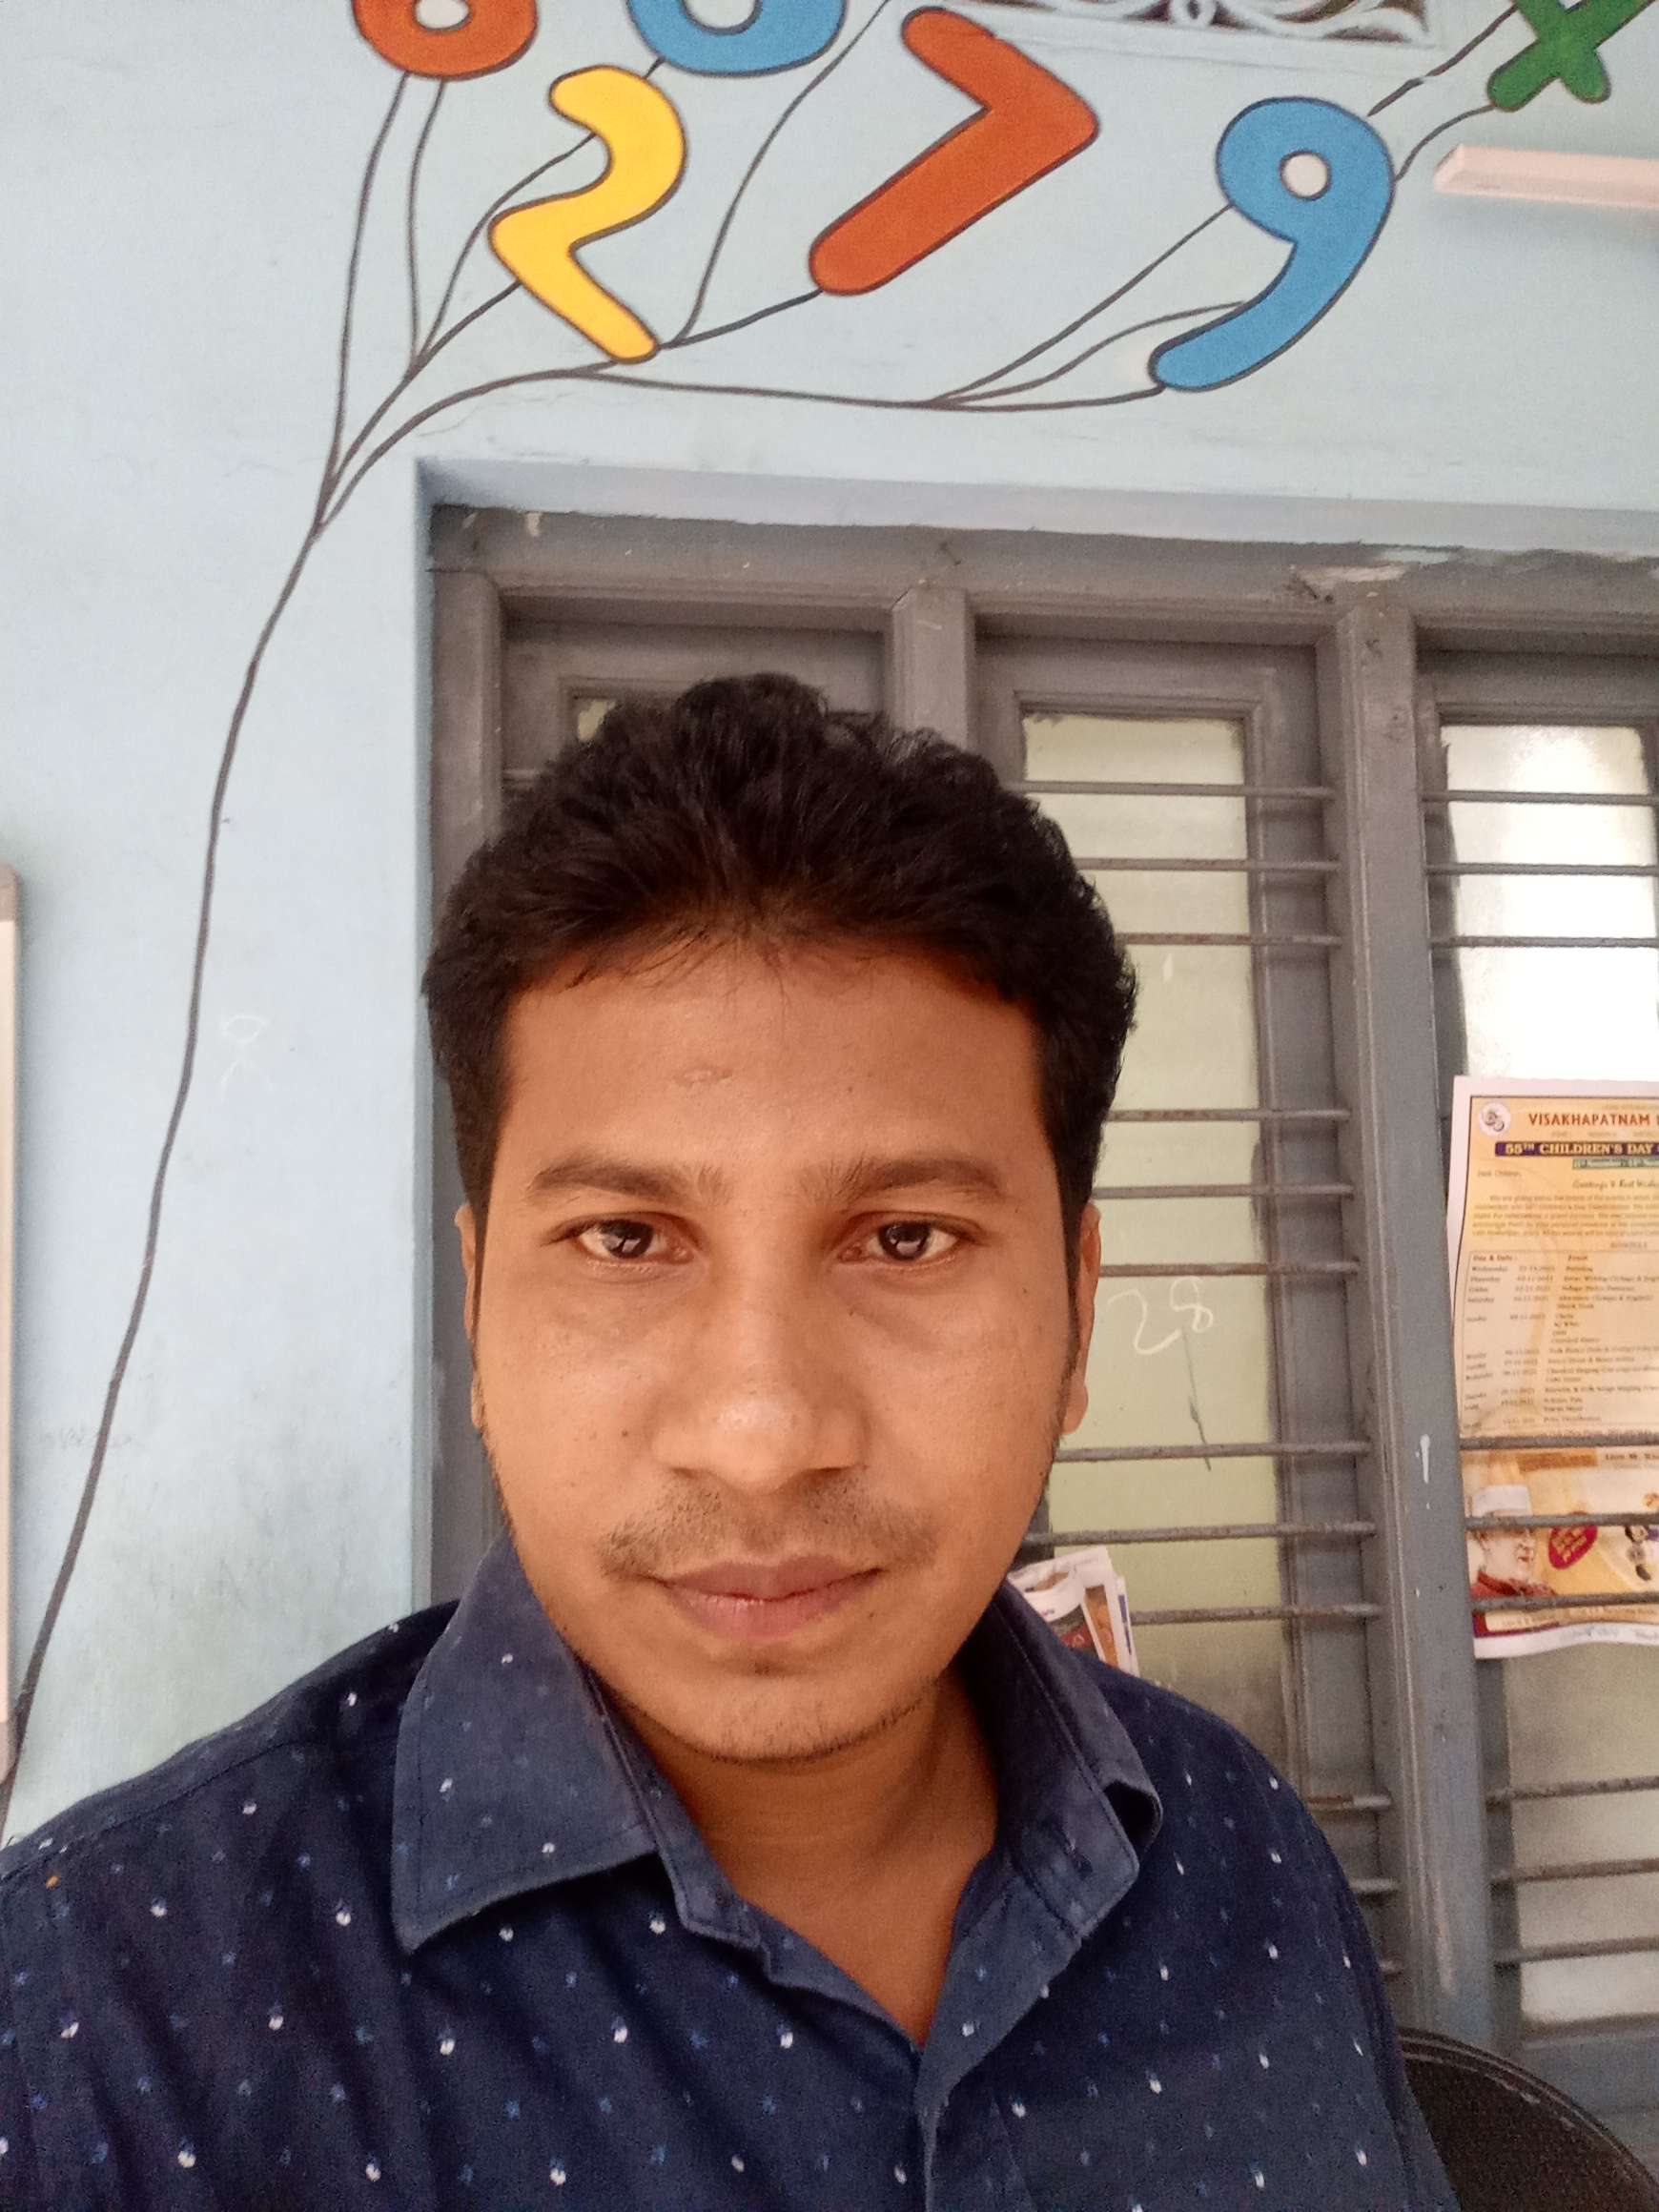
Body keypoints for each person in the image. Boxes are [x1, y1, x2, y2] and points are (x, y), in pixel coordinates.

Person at [0, 677, 1456, 2208]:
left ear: (1079, 1319)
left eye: (906, 1238)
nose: (762, 1440)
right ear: (480, 1311)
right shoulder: (92, 2029)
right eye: (627, 1239)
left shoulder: (1241, 1858)